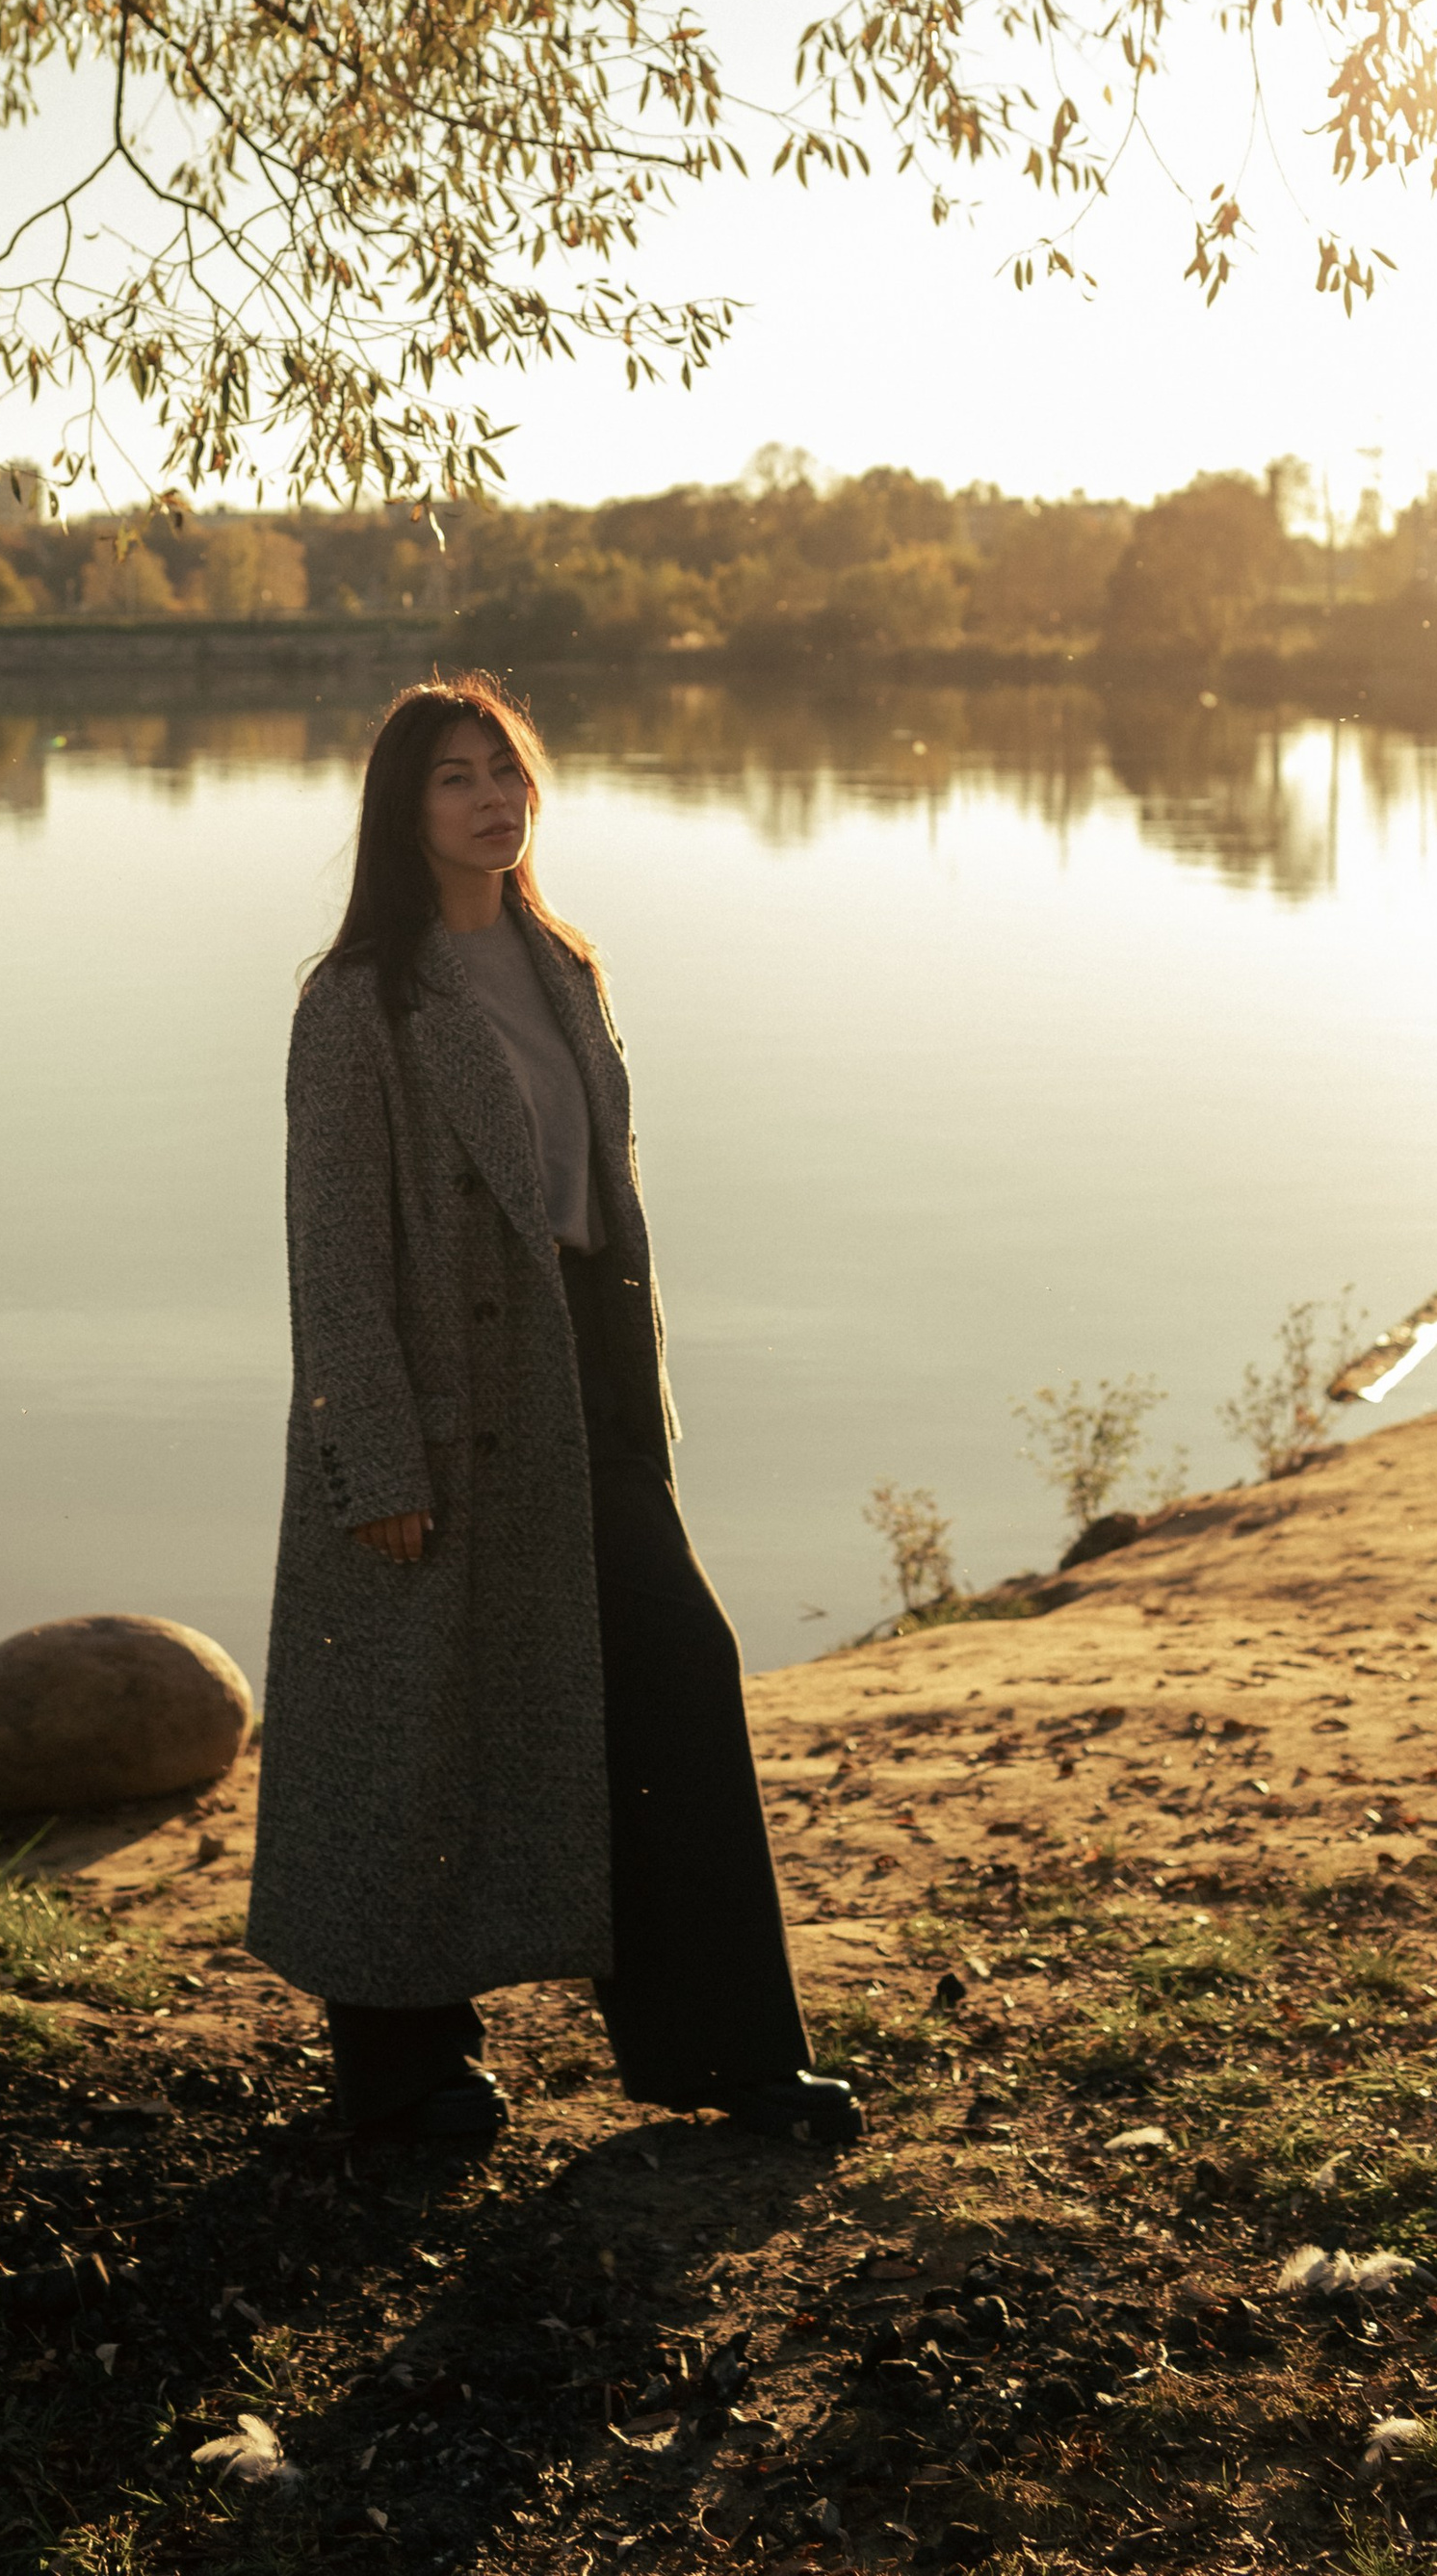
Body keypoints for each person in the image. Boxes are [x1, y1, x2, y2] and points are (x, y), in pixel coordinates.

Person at [246, 675, 862, 2156]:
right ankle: (405, 2067)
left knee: (675, 1674)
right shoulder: (359, 1004)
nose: (490, 797)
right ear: (405, 810)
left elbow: (601, 1203)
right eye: (455, 777)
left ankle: (728, 2050)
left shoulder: (566, 964)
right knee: (418, 1711)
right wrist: (373, 1451)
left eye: (506, 770)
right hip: (446, 1395)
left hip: (576, 1366)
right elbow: (332, 1250)